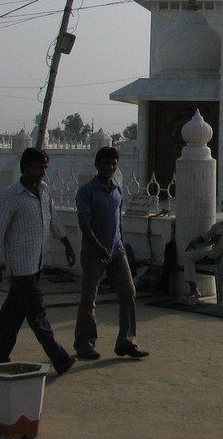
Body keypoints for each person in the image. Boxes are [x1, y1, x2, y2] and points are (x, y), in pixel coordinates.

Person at [0, 147, 77, 375]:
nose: (42, 172)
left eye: (44, 167)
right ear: (25, 168)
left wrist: (67, 244)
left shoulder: (44, 191)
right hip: (21, 265)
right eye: (38, 167)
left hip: (37, 262)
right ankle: (59, 357)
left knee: (12, 313)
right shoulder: (11, 196)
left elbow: (53, 220)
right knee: (36, 312)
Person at [74, 146, 148, 359]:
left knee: (128, 293)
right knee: (89, 299)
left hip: (117, 251)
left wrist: (121, 245)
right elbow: (84, 223)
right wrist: (98, 247)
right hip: (93, 252)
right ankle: (85, 344)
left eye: (114, 163)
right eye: (107, 163)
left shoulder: (117, 189)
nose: (111, 167)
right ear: (97, 165)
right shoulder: (87, 191)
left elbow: (118, 222)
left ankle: (127, 342)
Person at [182, 197, 223, 299]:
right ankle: (194, 289)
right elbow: (207, 236)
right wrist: (196, 241)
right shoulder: (218, 226)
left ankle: (211, 258)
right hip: (214, 252)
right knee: (187, 256)